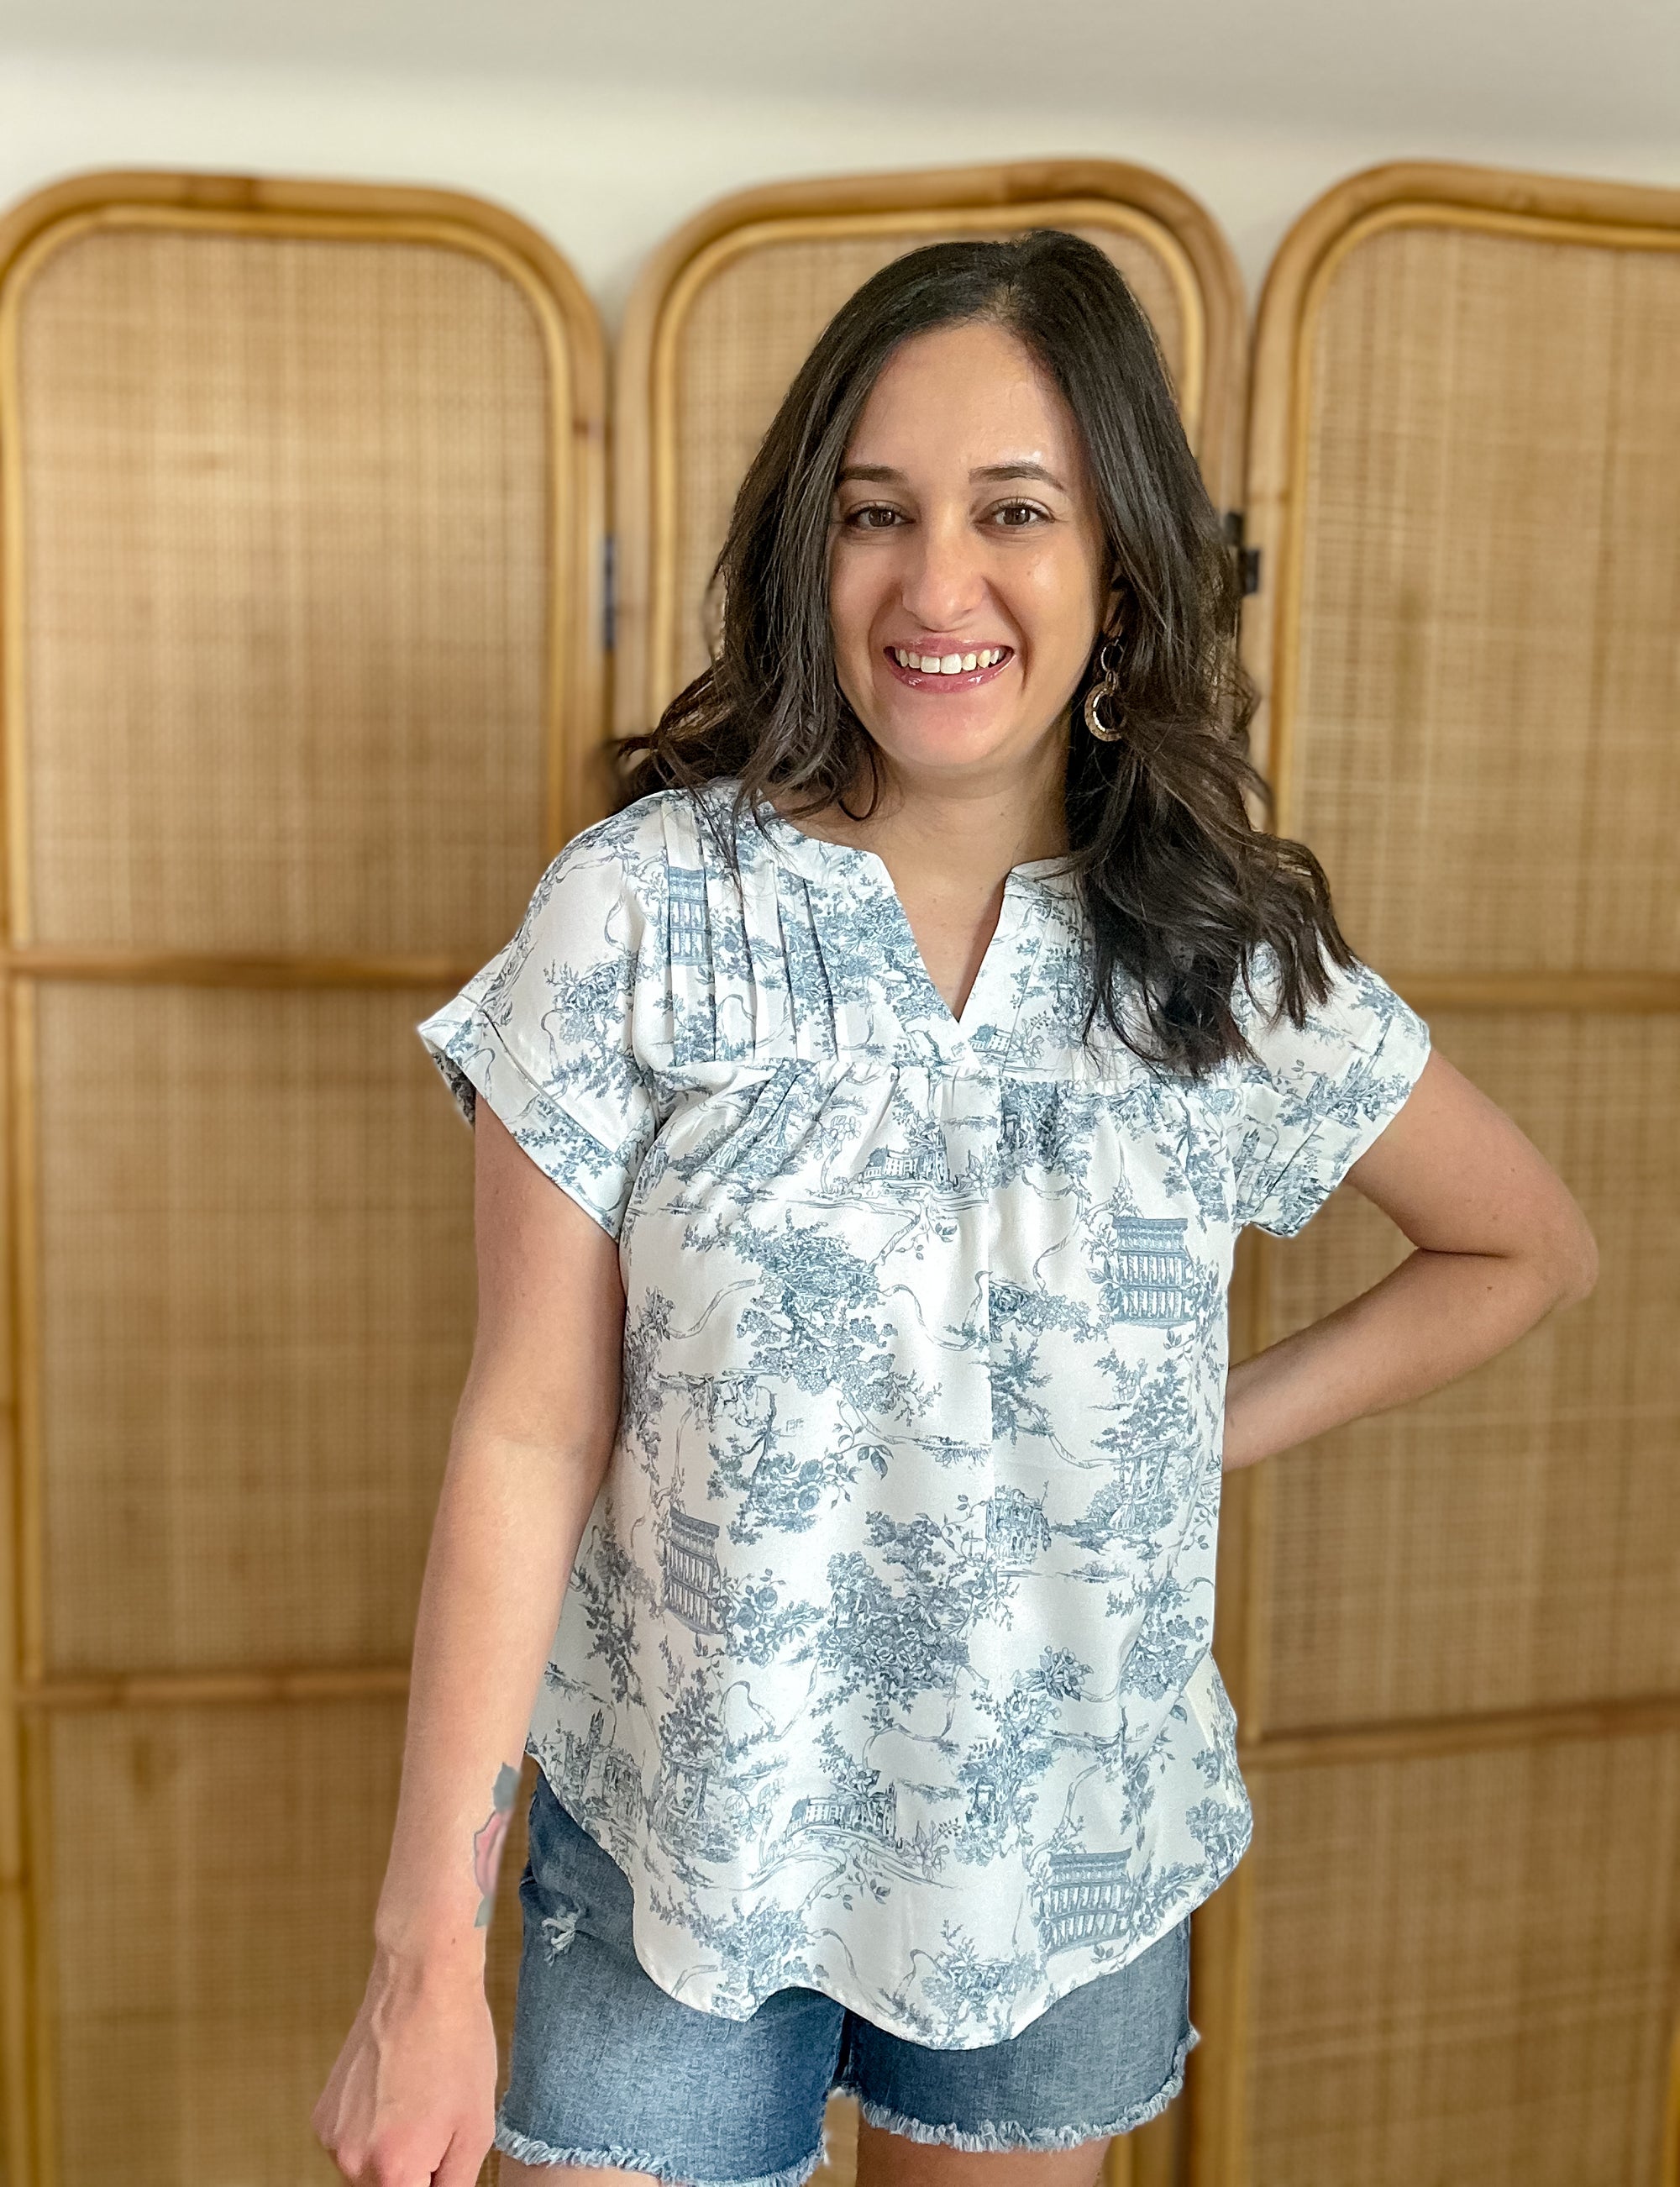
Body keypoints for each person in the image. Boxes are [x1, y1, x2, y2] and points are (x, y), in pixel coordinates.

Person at [313, 231, 1597, 2187]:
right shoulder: (642, 910)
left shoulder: (1219, 961)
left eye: (1014, 510)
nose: (935, 584)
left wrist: (1196, 1424)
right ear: (805, 551)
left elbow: (1522, 1246)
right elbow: (526, 1425)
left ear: (1120, 569)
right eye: (874, 512)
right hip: (679, 1843)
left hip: (1058, 1853)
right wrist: (423, 1950)